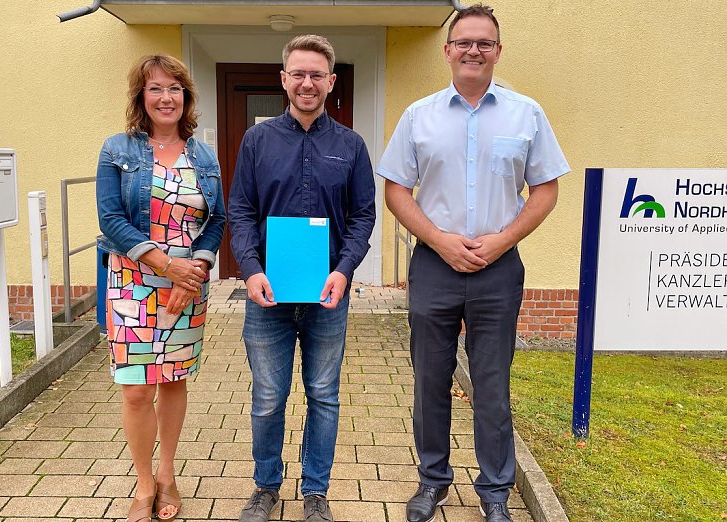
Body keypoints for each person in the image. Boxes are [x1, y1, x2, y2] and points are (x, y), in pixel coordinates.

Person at [377, 5, 570, 522]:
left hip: (499, 267)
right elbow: (396, 189)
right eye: (464, 41)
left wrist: (502, 240)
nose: (473, 50)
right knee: (429, 382)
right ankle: (432, 481)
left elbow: (545, 189)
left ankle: (495, 493)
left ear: (498, 51)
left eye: (484, 43)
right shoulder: (419, 115)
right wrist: (440, 241)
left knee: (492, 383)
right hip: (435, 266)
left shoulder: (526, 113)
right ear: (448, 50)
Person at [228, 34, 376, 522]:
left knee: (324, 395)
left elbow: (363, 217)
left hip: (327, 295)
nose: (307, 83)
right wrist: (249, 270)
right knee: (268, 398)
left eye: (317, 74)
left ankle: (316, 491)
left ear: (331, 82)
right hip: (267, 294)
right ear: (284, 80)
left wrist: (344, 270)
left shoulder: (351, 146)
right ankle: (266, 487)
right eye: (299, 73)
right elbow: (241, 210)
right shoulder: (257, 140)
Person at [96, 54, 226, 522]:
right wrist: (166, 264)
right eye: (155, 88)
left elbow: (217, 221)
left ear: (186, 96)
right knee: (135, 389)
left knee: (172, 380)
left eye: (174, 88)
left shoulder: (203, 155)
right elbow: (110, 218)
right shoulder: (117, 149)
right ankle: (143, 482)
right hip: (133, 282)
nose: (166, 97)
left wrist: (196, 268)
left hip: (186, 288)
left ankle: (168, 474)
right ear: (141, 96)